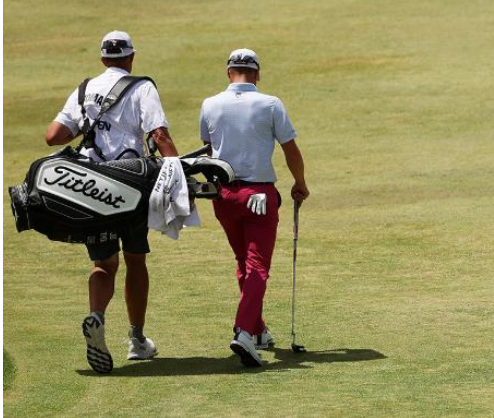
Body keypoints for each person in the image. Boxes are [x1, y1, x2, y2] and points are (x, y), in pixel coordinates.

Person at [45, 30, 179, 373]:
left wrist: (88, 125)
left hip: (92, 188)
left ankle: (97, 316)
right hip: (130, 185)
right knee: (136, 260)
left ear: (104, 59)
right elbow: (158, 135)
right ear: (131, 58)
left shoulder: (84, 89)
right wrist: (179, 172)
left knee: (104, 264)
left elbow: (53, 136)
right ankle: (136, 339)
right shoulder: (142, 87)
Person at [199, 48, 309, 367]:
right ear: (257, 74)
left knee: (243, 261)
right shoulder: (270, 104)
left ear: (228, 72)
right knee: (257, 266)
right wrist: (300, 183)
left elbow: (209, 148)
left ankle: (258, 330)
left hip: (223, 197)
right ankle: (244, 331)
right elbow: (291, 149)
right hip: (259, 196)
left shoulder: (209, 105)